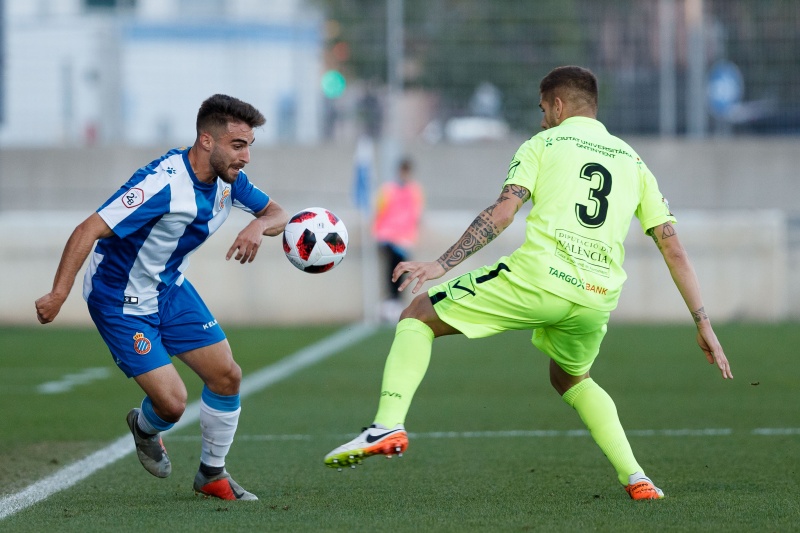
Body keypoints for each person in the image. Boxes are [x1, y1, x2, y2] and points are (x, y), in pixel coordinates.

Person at [323, 66, 733, 500]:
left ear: (557, 106)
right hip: (597, 297)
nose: (541, 119)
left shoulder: (543, 143)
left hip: (539, 279)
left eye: (543, 109)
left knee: (419, 314)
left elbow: (502, 213)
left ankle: (386, 424)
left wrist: (444, 263)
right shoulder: (633, 161)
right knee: (572, 378)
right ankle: (638, 479)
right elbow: (674, 248)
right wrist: (702, 321)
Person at [35, 94, 290, 501]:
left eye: (249, 147)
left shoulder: (230, 181)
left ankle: (211, 474)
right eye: (238, 145)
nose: (246, 157)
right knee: (173, 405)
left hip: (168, 289)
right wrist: (58, 294)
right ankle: (145, 426)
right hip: (119, 300)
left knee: (227, 376)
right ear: (207, 141)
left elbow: (278, 212)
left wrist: (258, 227)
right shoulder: (161, 184)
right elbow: (87, 230)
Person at [372, 157, 425, 322]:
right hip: (388, 236)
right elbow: (379, 211)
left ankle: (396, 303)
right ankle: (390, 302)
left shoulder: (414, 190)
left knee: (402, 270)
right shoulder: (388, 189)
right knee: (391, 269)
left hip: (404, 238)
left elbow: (417, 214)